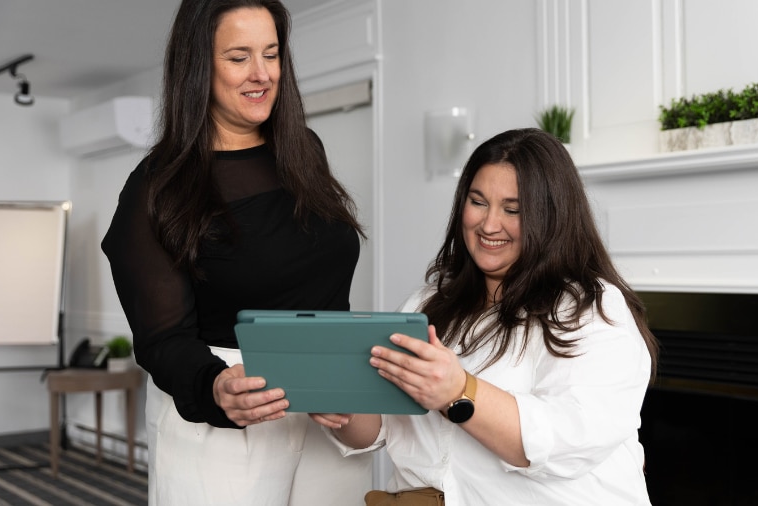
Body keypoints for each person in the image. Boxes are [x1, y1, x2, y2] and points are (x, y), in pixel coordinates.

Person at [101, 0, 372, 504]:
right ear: (199, 65)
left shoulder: (302, 150)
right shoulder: (157, 187)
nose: (262, 73)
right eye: (238, 57)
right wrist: (216, 389)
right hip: (225, 412)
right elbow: (162, 338)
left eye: (271, 54)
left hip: (326, 407)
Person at [312, 128, 659, 505]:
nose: (489, 225)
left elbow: (562, 439)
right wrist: (341, 408)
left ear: (552, 218)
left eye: (513, 210)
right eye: (478, 202)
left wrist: (458, 391)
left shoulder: (592, 309)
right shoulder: (426, 304)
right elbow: (383, 428)